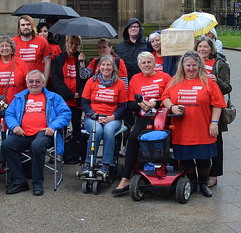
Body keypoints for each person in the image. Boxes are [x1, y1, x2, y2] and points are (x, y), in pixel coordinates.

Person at [161, 51, 226, 197]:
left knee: (204, 159)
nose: (191, 69)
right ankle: (192, 182)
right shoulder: (174, 81)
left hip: (203, 128)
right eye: (188, 65)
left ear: (199, 66)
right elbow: (165, 97)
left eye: (194, 65)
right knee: (186, 159)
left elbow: (218, 104)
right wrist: (172, 106)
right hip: (182, 129)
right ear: (182, 66)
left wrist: (214, 123)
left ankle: (203, 183)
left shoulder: (208, 82)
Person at [1, 70, 71, 196]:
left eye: (37, 81)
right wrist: (14, 126)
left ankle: (37, 183)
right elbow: (9, 114)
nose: (34, 84)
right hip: (22, 133)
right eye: (31, 81)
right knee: (6, 145)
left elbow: (65, 114)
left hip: (44, 133)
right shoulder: (19, 98)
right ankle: (19, 181)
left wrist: (53, 126)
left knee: (37, 146)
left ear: (43, 83)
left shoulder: (54, 97)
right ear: (27, 83)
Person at [112, 52, 171, 195]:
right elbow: (130, 103)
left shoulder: (165, 77)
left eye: (149, 62)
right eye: (143, 63)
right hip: (145, 117)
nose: (146, 65)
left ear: (154, 63)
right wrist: (140, 104)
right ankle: (126, 178)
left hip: (165, 116)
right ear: (139, 65)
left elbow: (170, 96)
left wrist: (155, 103)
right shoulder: (135, 79)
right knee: (132, 139)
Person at [80, 55, 128, 177]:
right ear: (99, 67)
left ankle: (106, 165)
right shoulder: (91, 81)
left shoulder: (120, 83)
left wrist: (112, 117)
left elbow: (123, 106)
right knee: (97, 130)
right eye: (103, 65)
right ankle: (88, 163)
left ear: (113, 68)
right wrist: (94, 115)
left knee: (108, 130)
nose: (105, 67)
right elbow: (84, 102)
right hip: (93, 116)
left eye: (108, 65)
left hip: (112, 118)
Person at [195, 36, 231, 187]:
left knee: (216, 142)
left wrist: (216, 79)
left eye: (205, 47)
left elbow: (228, 87)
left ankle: (214, 174)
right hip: (197, 110)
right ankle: (198, 172)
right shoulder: (191, 63)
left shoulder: (219, 64)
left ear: (211, 49)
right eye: (199, 47)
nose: (202, 49)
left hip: (214, 109)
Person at [50, 35, 91, 161]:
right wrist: (69, 94)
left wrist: (82, 64)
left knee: (77, 126)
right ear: (66, 43)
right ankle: (59, 152)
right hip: (63, 99)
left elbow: (87, 80)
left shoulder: (82, 60)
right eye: (71, 43)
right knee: (61, 126)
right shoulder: (58, 59)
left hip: (77, 100)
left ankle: (75, 152)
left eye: (76, 44)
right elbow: (55, 79)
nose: (73, 46)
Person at [13, 15, 51, 80]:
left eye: (28, 24)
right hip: (18, 79)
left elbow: (47, 62)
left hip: (36, 80)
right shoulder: (13, 42)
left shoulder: (42, 41)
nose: (26, 27)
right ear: (19, 27)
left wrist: (45, 82)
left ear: (32, 26)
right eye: (23, 25)